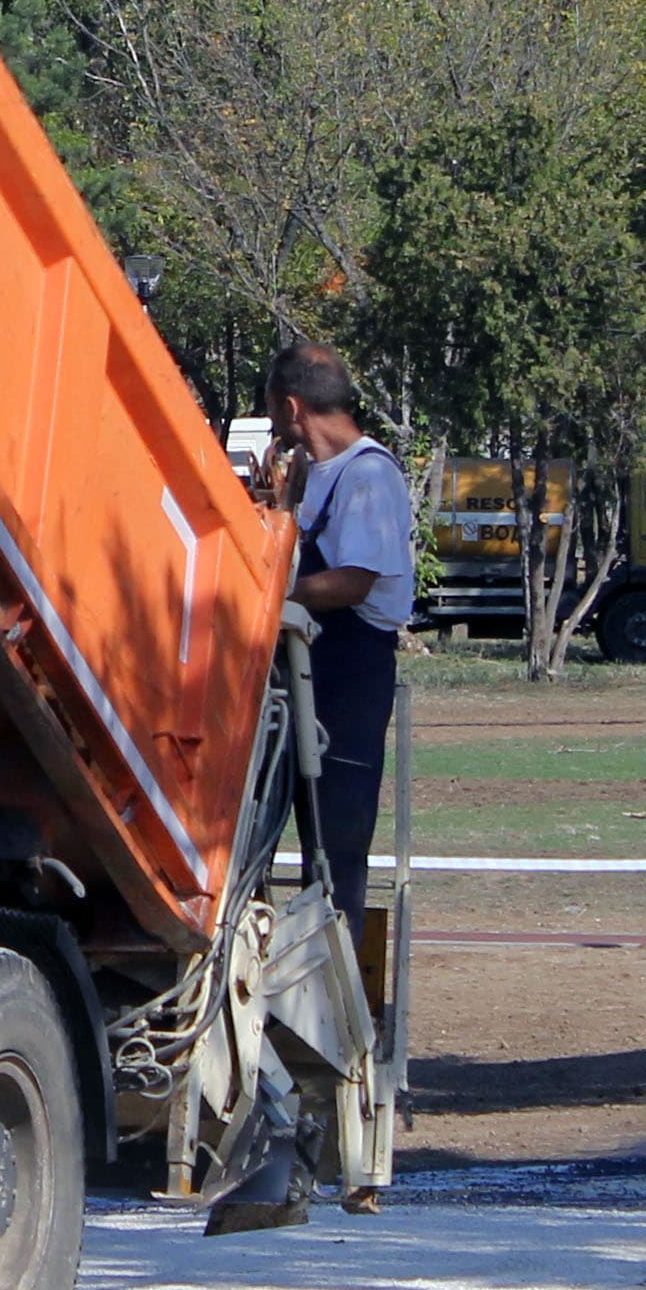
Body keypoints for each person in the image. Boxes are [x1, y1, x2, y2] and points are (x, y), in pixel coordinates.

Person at [257, 341, 413, 926]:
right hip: (299, 668)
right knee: (262, 826)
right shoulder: (313, 473)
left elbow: (353, 582)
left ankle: (337, 979)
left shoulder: (367, 473)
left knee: (335, 843)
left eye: (274, 409)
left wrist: (270, 597)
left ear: (292, 407)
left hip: (348, 675)